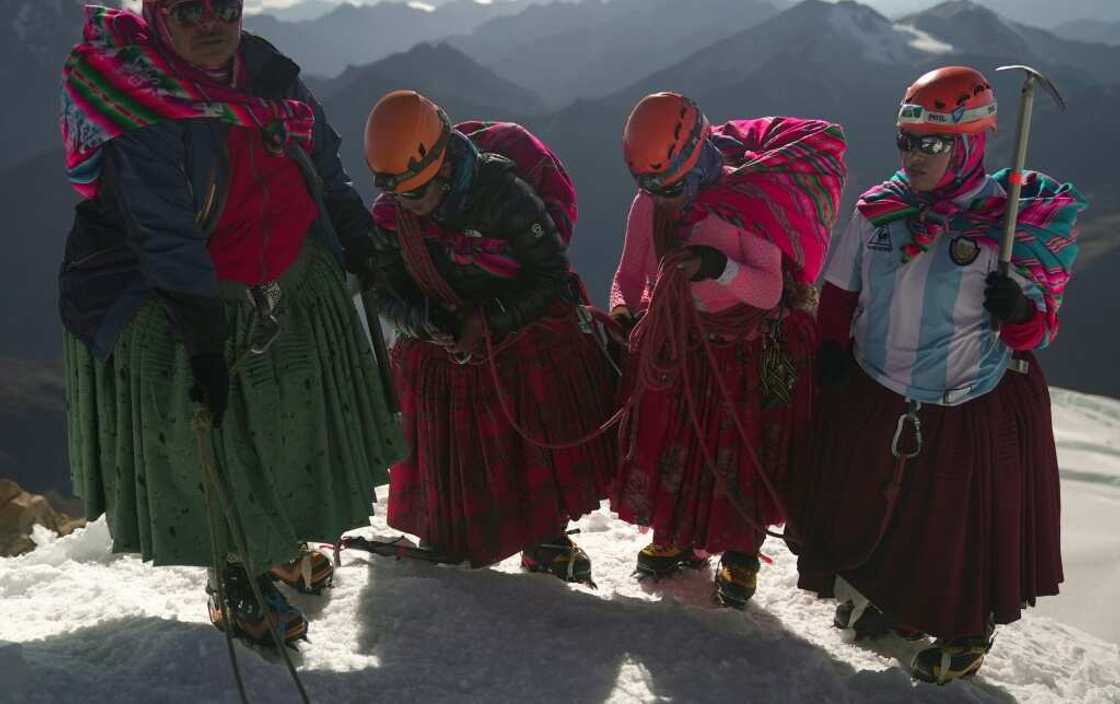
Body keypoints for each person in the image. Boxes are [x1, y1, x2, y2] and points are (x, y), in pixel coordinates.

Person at [58, 0, 403, 645]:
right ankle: (235, 577)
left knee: (283, 428)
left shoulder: (268, 74)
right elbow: (164, 233)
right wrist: (205, 346)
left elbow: (323, 163)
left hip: (273, 275)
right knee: (219, 438)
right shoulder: (140, 110)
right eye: (190, 10)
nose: (213, 24)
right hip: (178, 298)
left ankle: (274, 554)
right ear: (152, 15)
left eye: (226, 5)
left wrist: (360, 240)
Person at [795, 66, 1086, 683]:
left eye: (932, 143)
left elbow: (1034, 332)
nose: (914, 154)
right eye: (906, 139)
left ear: (972, 143)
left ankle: (962, 629)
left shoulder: (1004, 229)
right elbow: (841, 293)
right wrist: (829, 347)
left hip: (961, 400)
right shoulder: (879, 212)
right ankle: (898, 608)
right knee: (889, 513)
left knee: (953, 527)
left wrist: (1019, 312)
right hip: (877, 389)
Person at [360, 90, 618, 581]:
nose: (411, 206)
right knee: (458, 446)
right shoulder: (394, 216)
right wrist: (426, 321)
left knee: (526, 444)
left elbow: (550, 276)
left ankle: (543, 535)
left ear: (442, 164)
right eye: (400, 194)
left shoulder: (502, 191)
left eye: (416, 192)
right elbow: (383, 288)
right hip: (447, 334)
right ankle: (450, 527)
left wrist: (490, 318)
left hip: (515, 333)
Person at [609, 92, 847, 608]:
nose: (659, 195)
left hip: (745, 349)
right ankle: (680, 534)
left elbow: (771, 290)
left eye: (666, 184)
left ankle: (739, 549)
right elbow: (629, 273)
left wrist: (718, 268)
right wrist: (626, 311)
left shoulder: (746, 203)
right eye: (648, 184)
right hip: (682, 342)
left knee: (738, 450)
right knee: (685, 441)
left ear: (693, 160)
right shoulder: (649, 201)